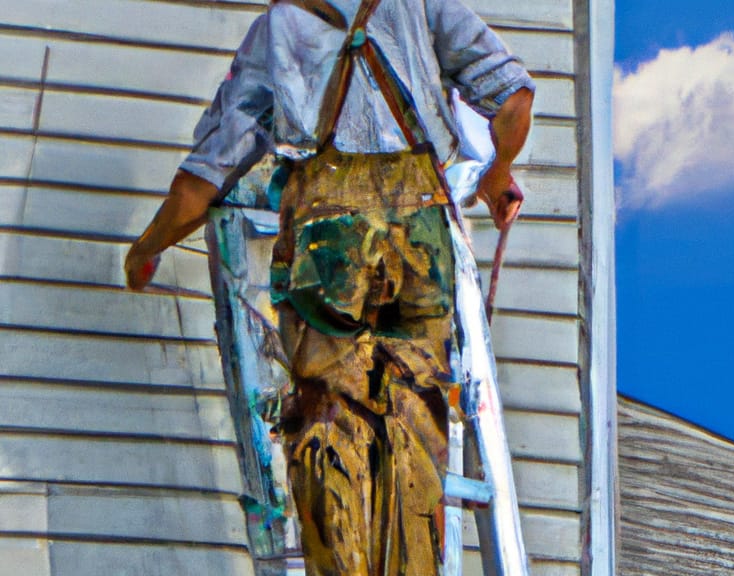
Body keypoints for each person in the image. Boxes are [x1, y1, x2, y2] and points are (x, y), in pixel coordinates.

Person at [124, 1, 534, 574]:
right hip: (422, 225)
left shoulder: (277, 29)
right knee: (415, 418)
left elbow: (205, 178)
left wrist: (147, 248)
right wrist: (495, 177)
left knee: (328, 421)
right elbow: (515, 99)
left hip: (328, 232)